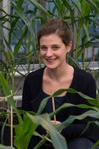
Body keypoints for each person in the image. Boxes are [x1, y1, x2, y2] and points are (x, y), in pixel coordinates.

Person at [22, 18, 99, 149]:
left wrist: (62, 129)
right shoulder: (32, 80)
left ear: (68, 46)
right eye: (43, 48)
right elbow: (27, 123)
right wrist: (45, 128)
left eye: (55, 47)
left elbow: (91, 128)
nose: (48, 54)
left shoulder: (85, 81)